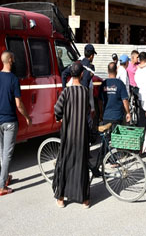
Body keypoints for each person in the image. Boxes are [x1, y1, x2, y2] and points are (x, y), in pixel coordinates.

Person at [0, 51, 31, 196]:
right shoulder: (13, 79)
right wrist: (27, 117)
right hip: (9, 122)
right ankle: (2, 186)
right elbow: (18, 104)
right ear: (10, 60)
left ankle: (5, 177)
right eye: (13, 58)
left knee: (2, 150)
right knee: (7, 154)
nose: (14, 61)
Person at [53, 62, 91, 208]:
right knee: (82, 165)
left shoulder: (66, 92)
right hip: (82, 135)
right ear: (82, 74)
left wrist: (60, 117)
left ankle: (61, 198)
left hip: (68, 135)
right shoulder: (85, 92)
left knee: (65, 164)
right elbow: (87, 109)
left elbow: (57, 109)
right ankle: (85, 200)